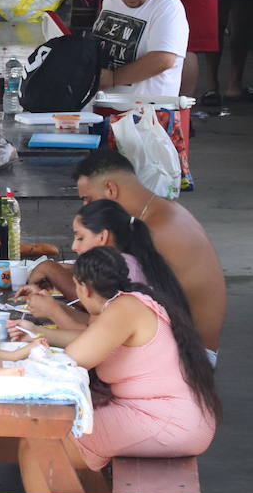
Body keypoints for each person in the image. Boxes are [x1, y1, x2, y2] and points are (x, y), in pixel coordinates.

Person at [0, 246, 218, 493]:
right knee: (50, 440)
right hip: (173, 417)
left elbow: (74, 359)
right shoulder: (129, 303)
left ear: (82, 289)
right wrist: (41, 335)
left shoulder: (123, 310)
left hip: (166, 421)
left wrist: (14, 354)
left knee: (39, 447)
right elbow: (88, 338)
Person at [72, 148, 225, 360]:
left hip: (190, 359)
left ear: (110, 189)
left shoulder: (159, 230)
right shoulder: (159, 211)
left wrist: (52, 274)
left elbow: (102, 303)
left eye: (88, 199)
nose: (85, 207)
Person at [18, 198, 190, 331]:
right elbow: (96, 320)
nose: (73, 247)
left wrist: (53, 311)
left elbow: (94, 333)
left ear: (102, 237)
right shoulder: (125, 261)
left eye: (80, 238)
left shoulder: (126, 269)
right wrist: (53, 306)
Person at [89, 0, 187, 100]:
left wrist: (114, 78)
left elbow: (164, 59)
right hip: (105, 102)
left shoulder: (168, 7)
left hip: (147, 110)